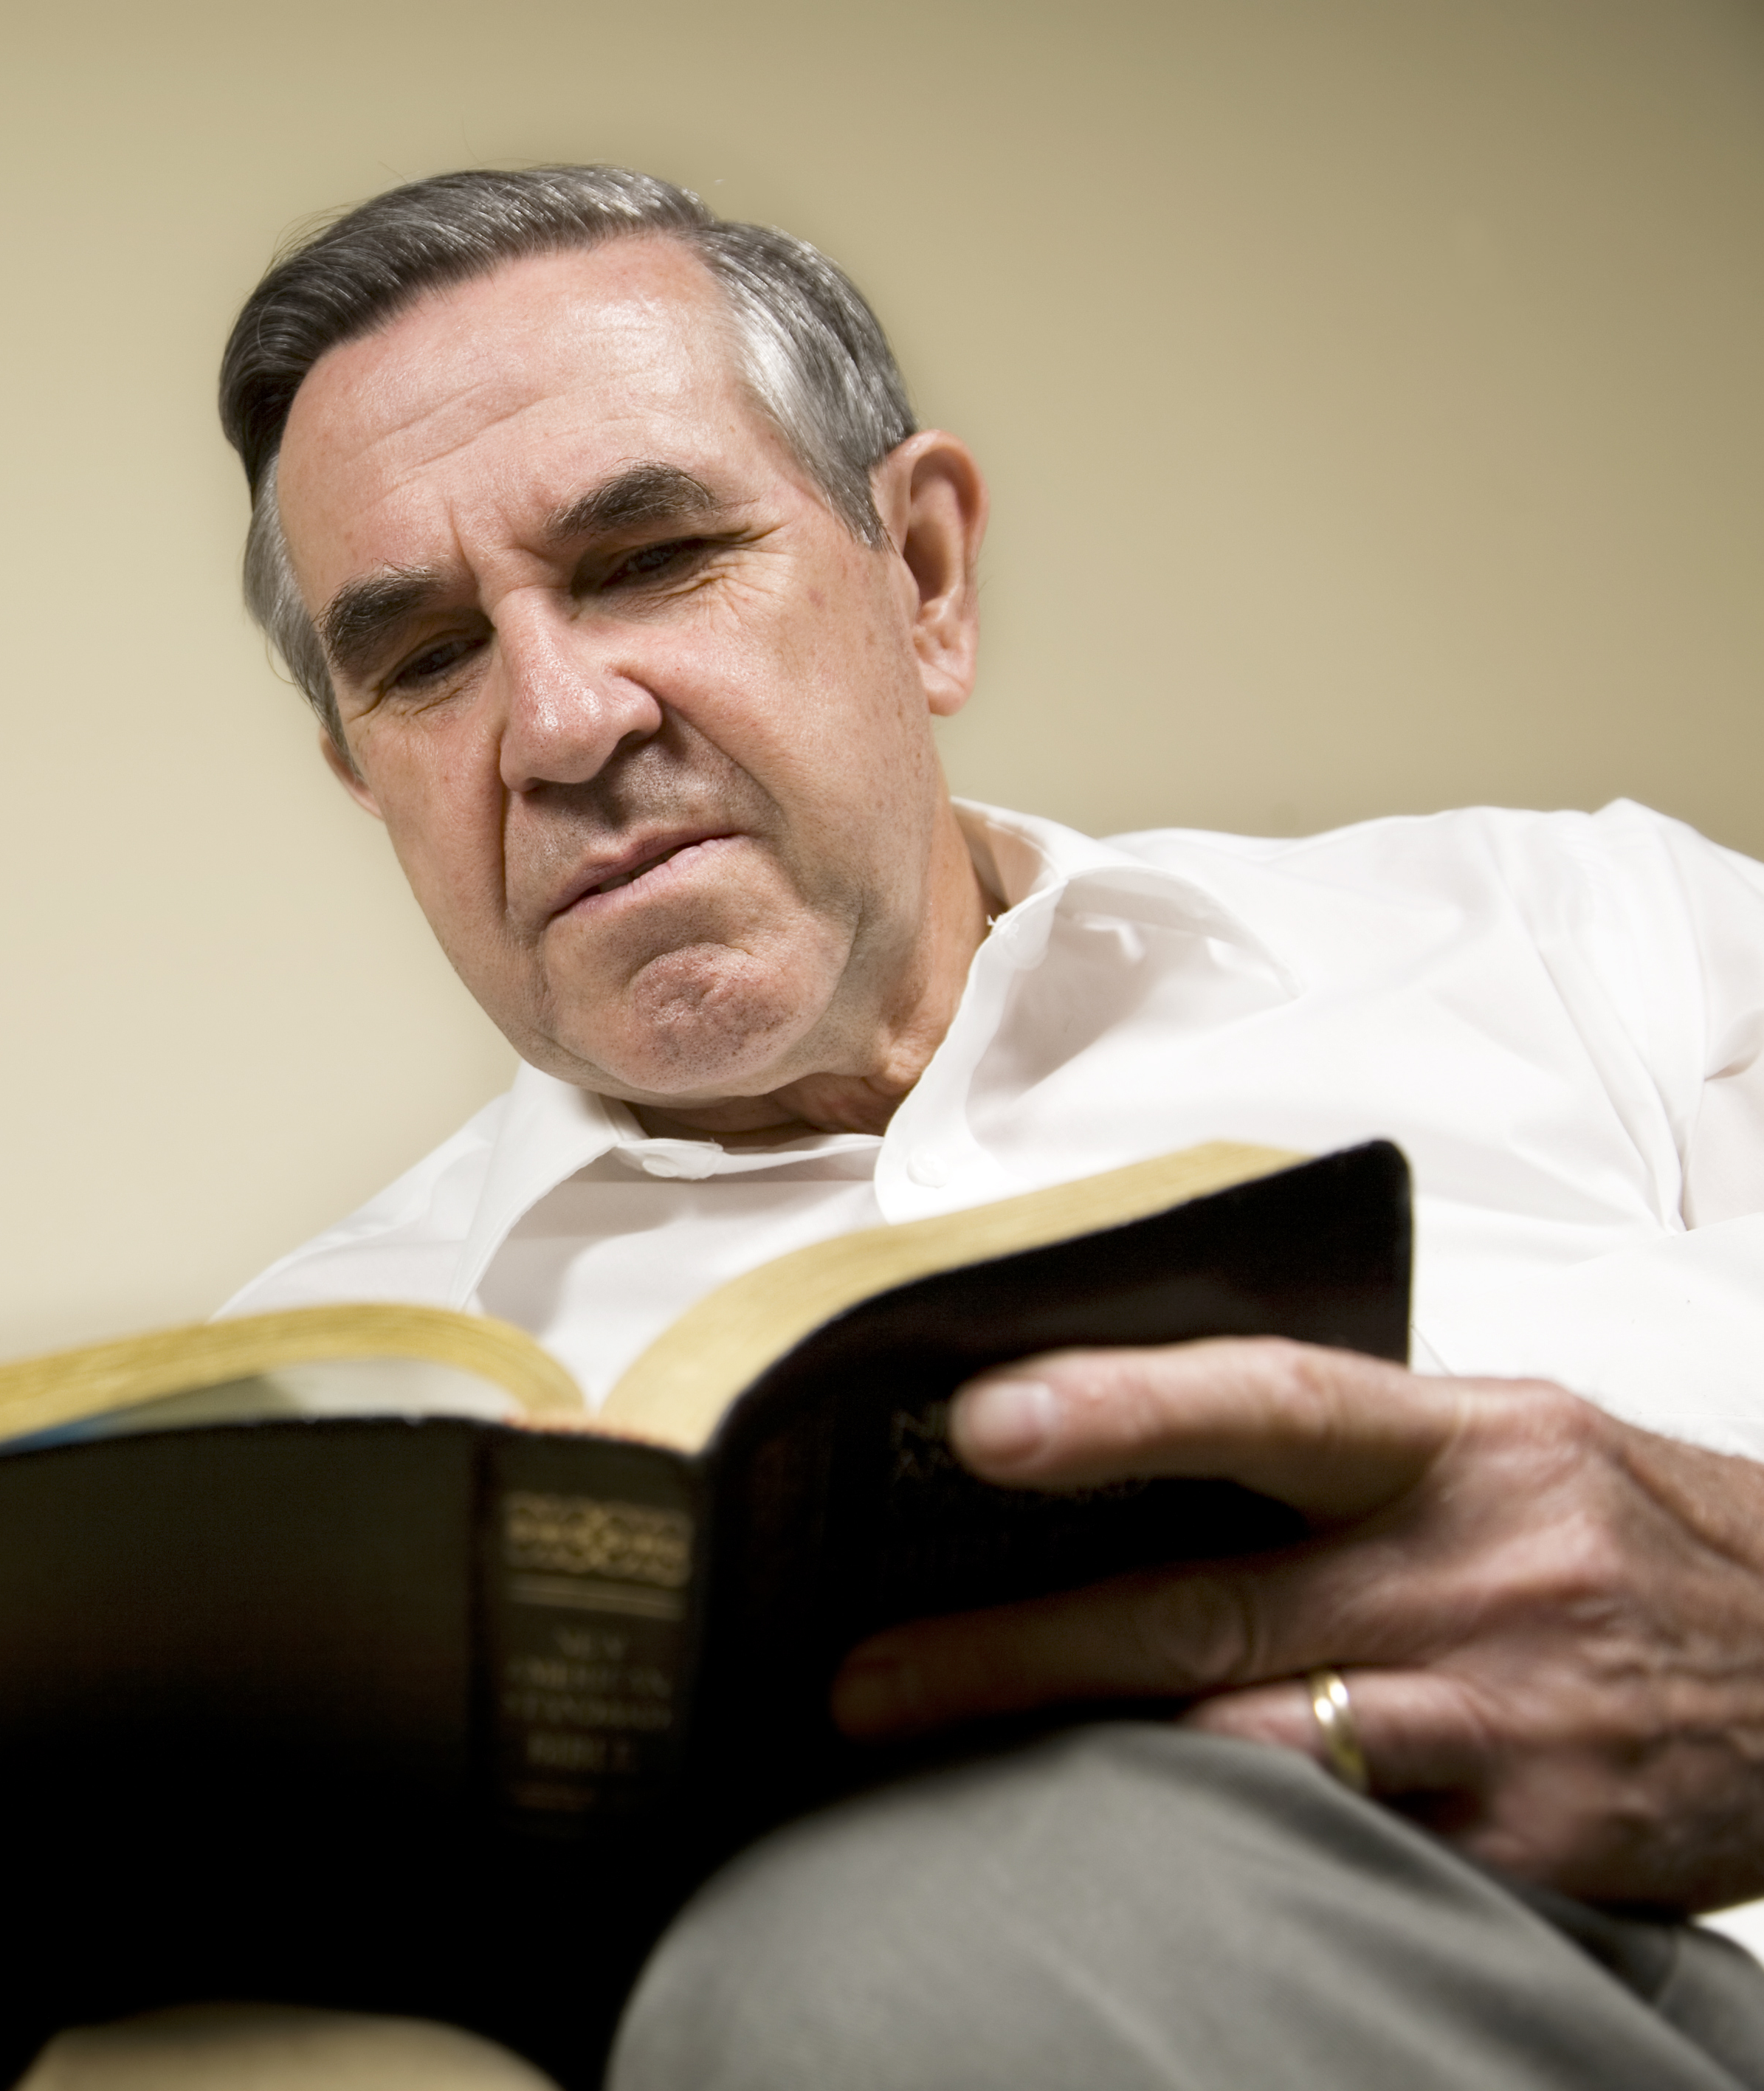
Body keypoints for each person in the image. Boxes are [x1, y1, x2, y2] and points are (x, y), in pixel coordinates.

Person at [209, 166, 1764, 2088]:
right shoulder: (306, 1422)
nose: (556, 722)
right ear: (362, 774)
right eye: (424, 659)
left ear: (923, 574)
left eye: (648, 557)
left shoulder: (1593, 941)